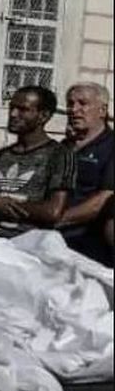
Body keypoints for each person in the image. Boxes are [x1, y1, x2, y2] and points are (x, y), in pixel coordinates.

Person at [0, 85, 73, 239]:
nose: (13, 114)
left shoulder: (59, 155)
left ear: (43, 116)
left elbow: (54, 211)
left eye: (23, 110)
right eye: (11, 108)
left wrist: (7, 205)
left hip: (29, 249)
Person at [56, 82, 113, 264]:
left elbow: (103, 200)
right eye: (70, 104)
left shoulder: (111, 147)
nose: (74, 109)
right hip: (51, 240)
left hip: (87, 245)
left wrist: (57, 219)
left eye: (83, 103)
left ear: (102, 111)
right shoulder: (64, 147)